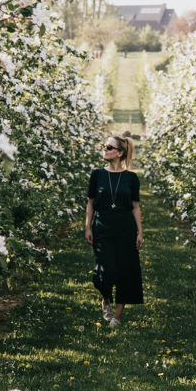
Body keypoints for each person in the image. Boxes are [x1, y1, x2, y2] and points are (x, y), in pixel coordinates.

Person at [85, 133, 143, 328]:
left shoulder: (131, 178)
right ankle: (105, 297)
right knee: (104, 271)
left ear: (119, 153)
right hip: (102, 227)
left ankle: (117, 316)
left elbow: (135, 206)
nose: (105, 149)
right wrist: (87, 227)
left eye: (109, 147)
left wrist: (140, 232)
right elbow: (91, 203)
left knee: (126, 270)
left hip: (126, 228)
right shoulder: (97, 174)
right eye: (104, 146)